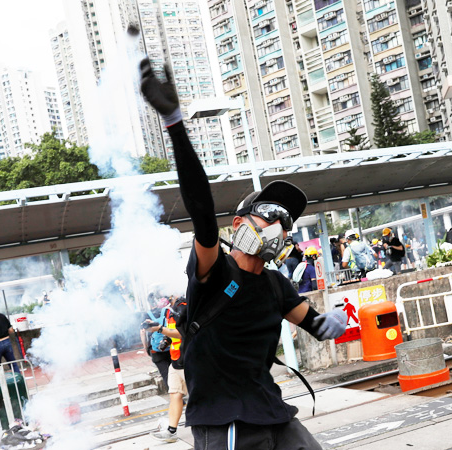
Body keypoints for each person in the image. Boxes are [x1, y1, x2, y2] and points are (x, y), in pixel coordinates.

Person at [140, 58, 346, 449]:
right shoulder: (214, 271)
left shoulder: (276, 285)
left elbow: (316, 327)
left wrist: (334, 322)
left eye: (286, 221)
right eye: (269, 216)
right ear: (238, 226)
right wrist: (175, 124)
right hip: (226, 421)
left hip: (272, 412)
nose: (279, 228)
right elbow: (201, 208)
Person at [149, 296, 187, 443]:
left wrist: (159, 329)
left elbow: (182, 332)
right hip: (175, 360)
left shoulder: (184, 306)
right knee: (174, 395)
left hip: (186, 360)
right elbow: (173, 332)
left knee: (201, 398)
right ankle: (171, 431)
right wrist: (167, 340)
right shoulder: (172, 310)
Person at [140, 297, 171, 392]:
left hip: (155, 349)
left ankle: (176, 398)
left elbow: (142, 333)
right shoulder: (167, 311)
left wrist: (146, 347)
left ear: (149, 303)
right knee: (175, 371)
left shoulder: (146, 315)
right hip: (170, 345)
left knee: (165, 374)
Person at [0, 301, 19, 373]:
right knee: (13, 365)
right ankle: (19, 382)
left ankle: (1, 383)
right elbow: (11, 330)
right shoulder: (2, 316)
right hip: (7, 342)